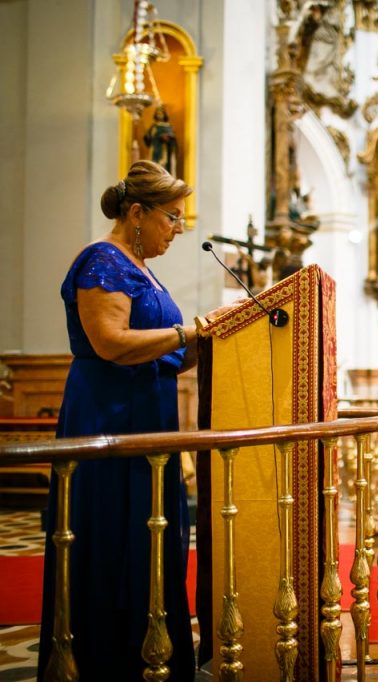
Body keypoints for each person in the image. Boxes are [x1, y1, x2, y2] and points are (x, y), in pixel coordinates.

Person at [38, 160, 231, 680]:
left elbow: (168, 354)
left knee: (152, 536)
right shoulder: (103, 260)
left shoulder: (142, 268)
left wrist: (211, 340)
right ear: (138, 213)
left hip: (149, 420)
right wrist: (190, 332)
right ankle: (108, 663)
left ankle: (154, 658)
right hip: (108, 417)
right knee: (111, 538)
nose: (180, 228)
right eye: (172, 217)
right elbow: (111, 343)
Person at [143, 105, 178, 177]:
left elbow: (173, 140)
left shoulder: (168, 126)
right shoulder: (154, 126)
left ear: (164, 115)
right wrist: (148, 136)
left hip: (164, 150)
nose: (159, 115)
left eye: (161, 113)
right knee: (154, 166)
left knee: (164, 166)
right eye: (158, 113)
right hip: (155, 150)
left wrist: (168, 138)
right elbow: (148, 138)